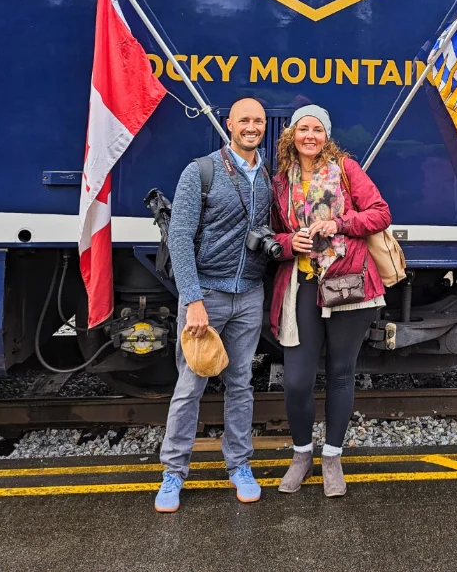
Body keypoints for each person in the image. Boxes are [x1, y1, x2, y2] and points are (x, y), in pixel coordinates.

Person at [155, 97, 272, 513]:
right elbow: (181, 238)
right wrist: (194, 300)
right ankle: (173, 474)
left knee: (240, 384)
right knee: (190, 386)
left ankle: (239, 465)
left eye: (258, 120)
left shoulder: (267, 177)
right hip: (209, 296)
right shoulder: (200, 171)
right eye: (245, 120)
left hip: (250, 294)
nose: (252, 127)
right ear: (229, 124)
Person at [268, 105, 391, 498]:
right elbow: (273, 235)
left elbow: (380, 213)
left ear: (327, 135)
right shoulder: (280, 181)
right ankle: (302, 454)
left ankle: (333, 457)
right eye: (303, 128)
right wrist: (291, 243)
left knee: (341, 372)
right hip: (302, 283)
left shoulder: (345, 168)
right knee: (298, 380)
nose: (310, 136)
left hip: (347, 281)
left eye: (317, 129)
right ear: (291, 135)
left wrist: (338, 223)